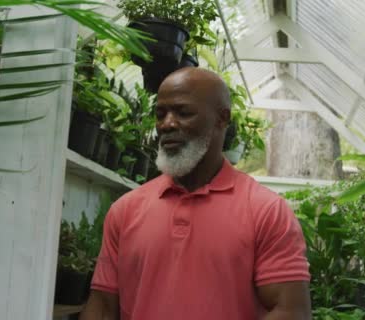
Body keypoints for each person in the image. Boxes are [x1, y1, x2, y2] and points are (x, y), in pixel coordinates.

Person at [79, 67, 311, 320]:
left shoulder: (266, 211)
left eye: (183, 112)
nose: (167, 124)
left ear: (222, 119)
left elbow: (290, 311)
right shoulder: (125, 210)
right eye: (160, 114)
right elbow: (102, 306)